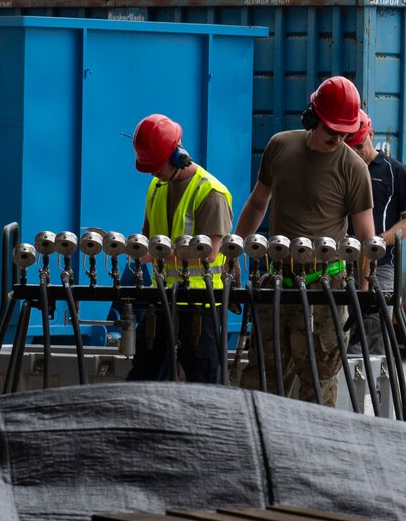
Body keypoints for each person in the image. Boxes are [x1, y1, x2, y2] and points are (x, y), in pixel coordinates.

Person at [233, 76, 376, 406]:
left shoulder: (353, 169)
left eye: (345, 132)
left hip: (324, 288)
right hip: (279, 281)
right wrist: (234, 251)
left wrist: (364, 292)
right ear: (312, 118)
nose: (338, 138)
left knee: (318, 380)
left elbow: (367, 239)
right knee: (264, 377)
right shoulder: (280, 147)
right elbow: (257, 203)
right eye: (332, 130)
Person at [127, 112, 234, 383]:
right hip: (161, 301)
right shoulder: (157, 185)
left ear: (178, 156)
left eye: (156, 165)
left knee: (205, 383)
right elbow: (148, 235)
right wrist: (137, 250)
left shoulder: (211, 193)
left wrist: (157, 254)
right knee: (145, 377)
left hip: (200, 305)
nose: (152, 172)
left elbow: (209, 252)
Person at [343, 114, 406, 357]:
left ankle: (369, 382)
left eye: (359, 145)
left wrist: (377, 242)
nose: (356, 152)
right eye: (350, 148)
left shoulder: (395, 172)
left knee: (374, 322)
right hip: (339, 263)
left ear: (371, 135)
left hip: (381, 264)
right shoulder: (339, 170)